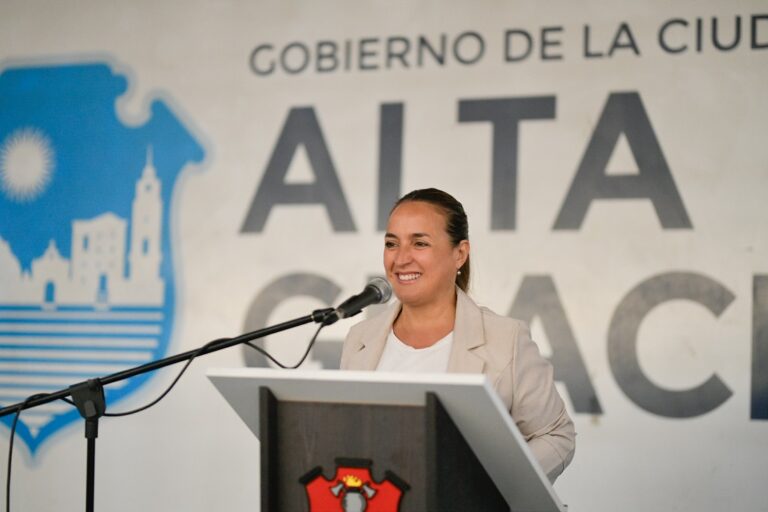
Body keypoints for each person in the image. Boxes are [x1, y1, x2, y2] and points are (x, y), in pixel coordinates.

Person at [340, 188, 575, 482]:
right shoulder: (360, 339)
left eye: (420, 243)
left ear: (460, 254)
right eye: (391, 243)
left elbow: (555, 434)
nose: (401, 259)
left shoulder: (506, 339)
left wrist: (489, 487)